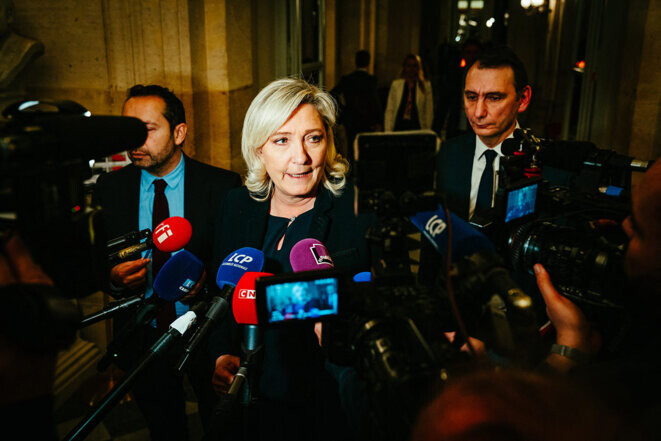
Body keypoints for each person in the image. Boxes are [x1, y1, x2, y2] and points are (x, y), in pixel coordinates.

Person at [208, 78, 371, 441]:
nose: (300, 157)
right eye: (281, 140)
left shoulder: (357, 210)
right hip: (251, 402)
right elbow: (220, 294)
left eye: (312, 138)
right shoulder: (235, 207)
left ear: (328, 143)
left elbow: (371, 304)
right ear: (258, 150)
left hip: (326, 404)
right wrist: (221, 356)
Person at [94, 84, 241, 441]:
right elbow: (95, 261)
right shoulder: (109, 189)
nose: (135, 140)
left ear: (179, 132)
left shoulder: (222, 187)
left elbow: (236, 267)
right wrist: (113, 277)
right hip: (143, 337)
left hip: (207, 334)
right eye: (128, 129)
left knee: (222, 425)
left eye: (147, 129)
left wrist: (205, 285)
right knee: (165, 429)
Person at [534, 159, 661, 439]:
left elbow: (521, 427)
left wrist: (567, 350)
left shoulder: (617, 400)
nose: (624, 226)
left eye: (638, 229)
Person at [436, 46, 531, 221]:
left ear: (523, 99)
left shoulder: (544, 165)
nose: (478, 112)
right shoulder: (450, 153)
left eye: (494, 98)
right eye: (472, 97)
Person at [330, 50, 382, 151]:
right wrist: (378, 120)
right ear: (368, 62)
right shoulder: (371, 80)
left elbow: (332, 93)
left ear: (356, 61)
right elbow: (375, 101)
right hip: (368, 120)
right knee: (365, 149)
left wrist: (342, 110)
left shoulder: (347, 79)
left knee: (351, 148)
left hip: (351, 119)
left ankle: (353, 166)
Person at [384, 54, 434, 132]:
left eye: (414, 66)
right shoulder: (396, 85)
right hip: (399, 125)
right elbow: (390, 109)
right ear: (404, 67)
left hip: (417, 126)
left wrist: (427, 130)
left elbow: (429, 110)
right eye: (409, 66)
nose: (411, 69)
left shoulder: (425, 85)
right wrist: (388, 130)